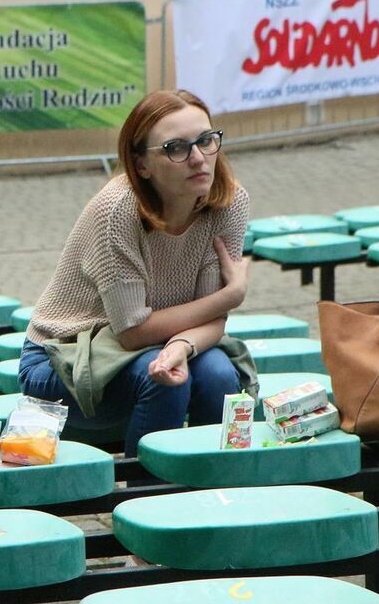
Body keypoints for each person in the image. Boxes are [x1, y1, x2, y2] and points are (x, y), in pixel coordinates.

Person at [18, 89, 255, 458]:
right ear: (141, 164)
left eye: (207, 141)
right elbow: (132, 333)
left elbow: (212, 318)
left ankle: (211, 495)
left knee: (220, 375)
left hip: (162, 341)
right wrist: (229, 295)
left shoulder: (229, 202)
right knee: (163, 378)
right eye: (177, 148)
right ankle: (149, 502)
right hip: (60, 357)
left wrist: (182, 344)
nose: (198, 159)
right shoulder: (116, 211)